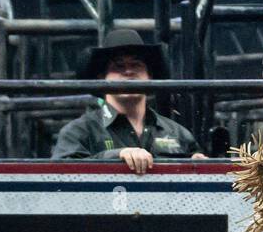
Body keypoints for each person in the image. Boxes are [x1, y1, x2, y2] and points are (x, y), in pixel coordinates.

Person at [52, 29, 204, 173]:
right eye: (118, 66)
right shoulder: (78, 132)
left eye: (136, 65)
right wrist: (116, 156)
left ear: (149, 76)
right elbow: (60, 177)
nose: (128, 71)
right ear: (101, 78)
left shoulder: (178, 133)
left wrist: (200, 165)